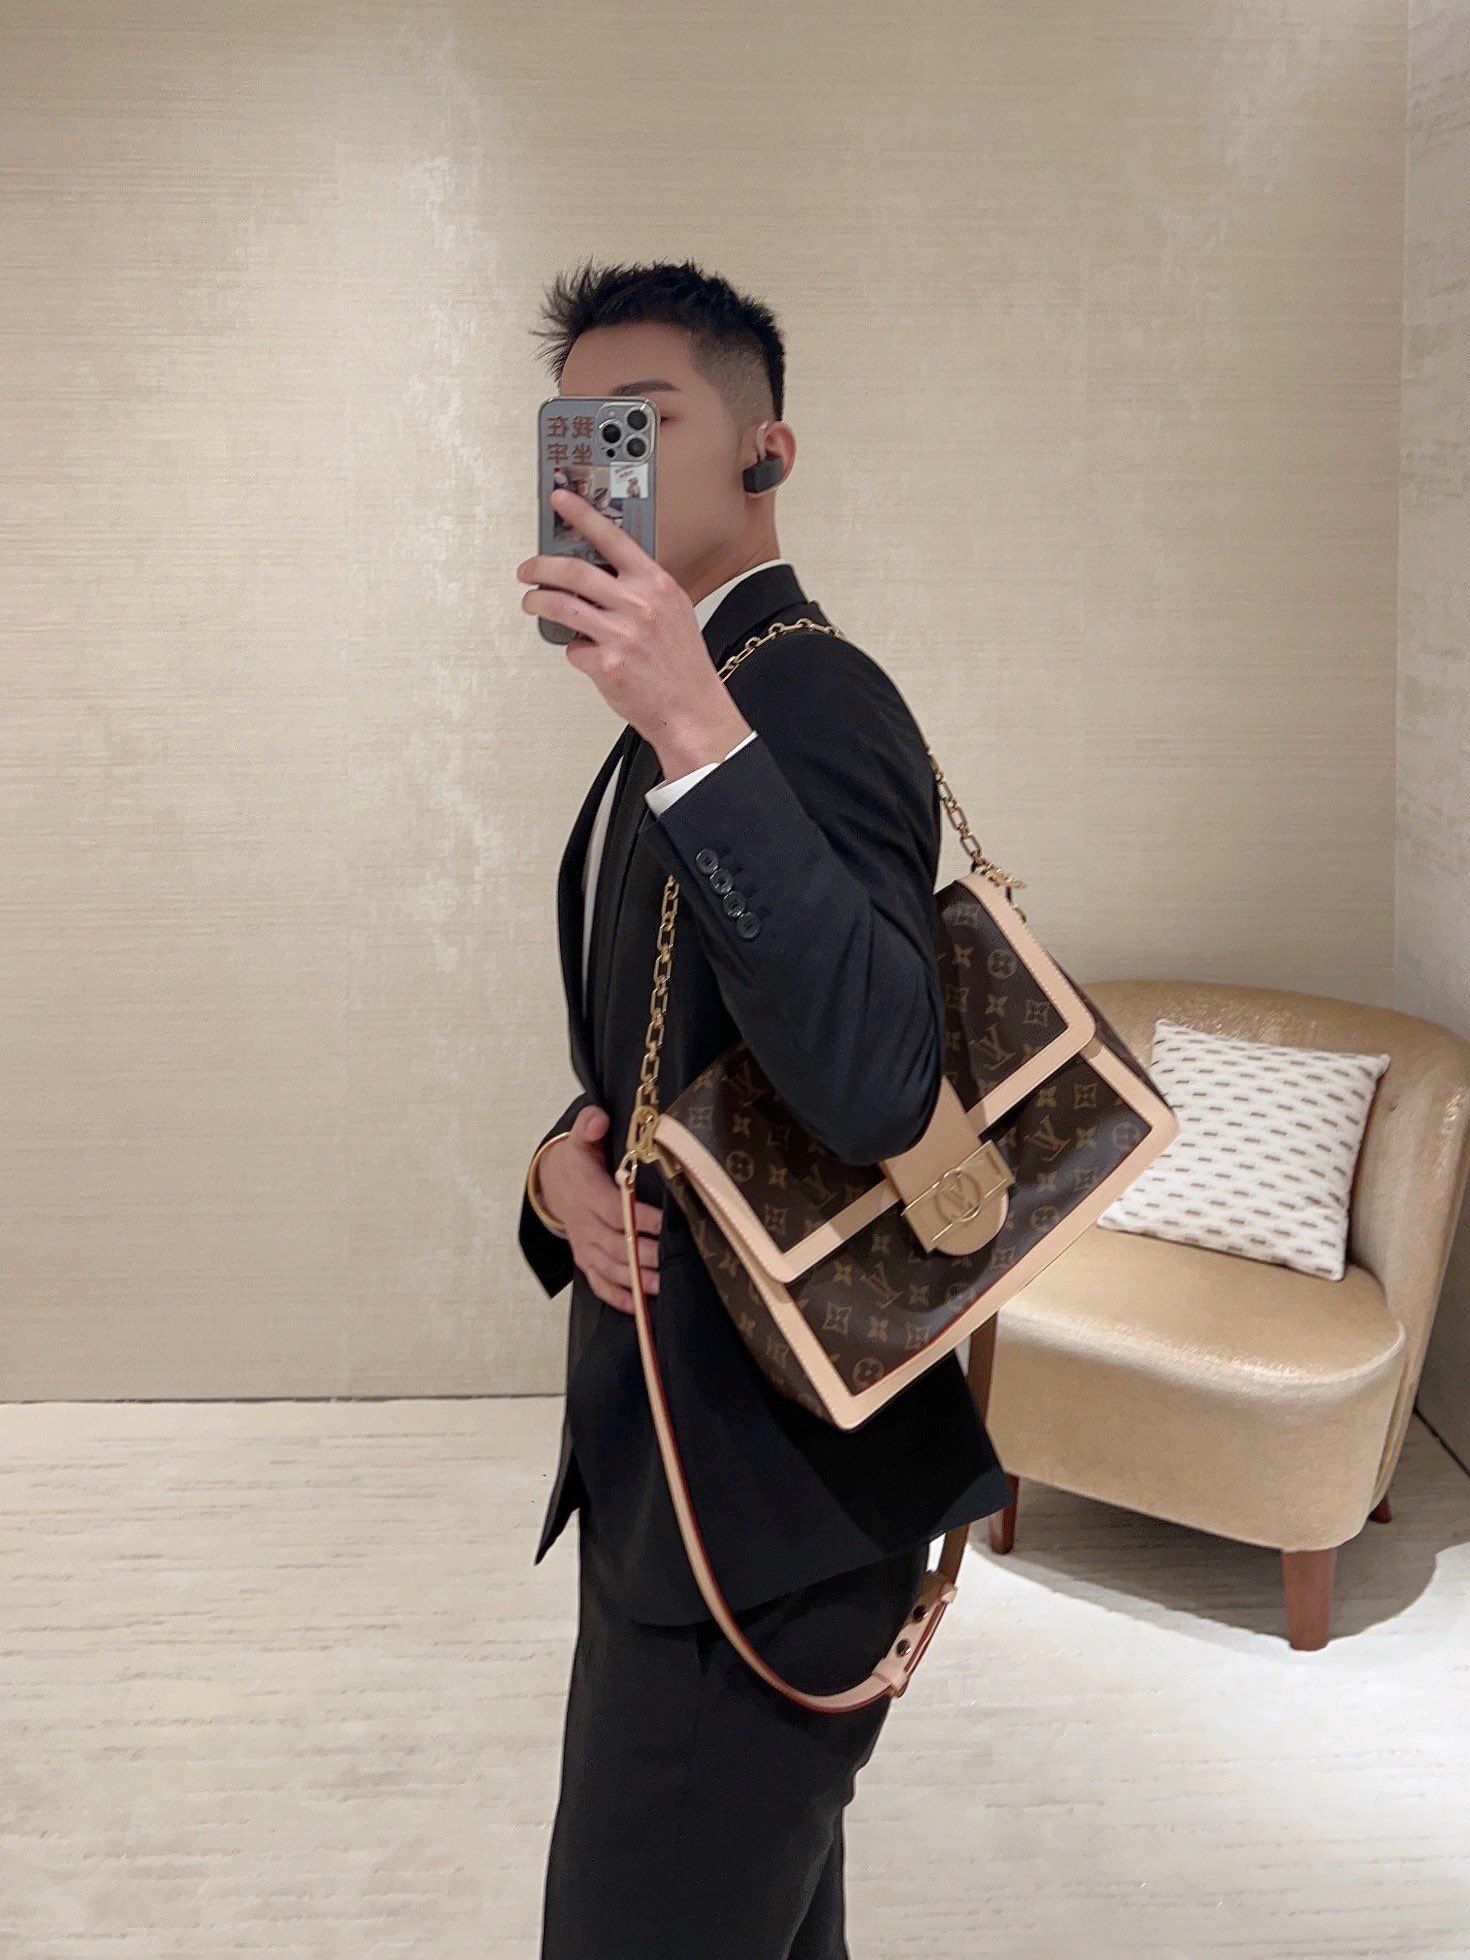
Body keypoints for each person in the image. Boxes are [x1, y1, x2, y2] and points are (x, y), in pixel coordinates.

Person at [514, 257, 1011, 1959]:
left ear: (766, 453)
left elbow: (877, 1081)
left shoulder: (801, 696)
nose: (599, 469)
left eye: (644, 424)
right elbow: (667, 1056)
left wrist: (687, 721)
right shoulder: (685, 704)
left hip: (769, 1505)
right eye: (577, 432)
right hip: (682, 1475)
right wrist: (556, 1169)